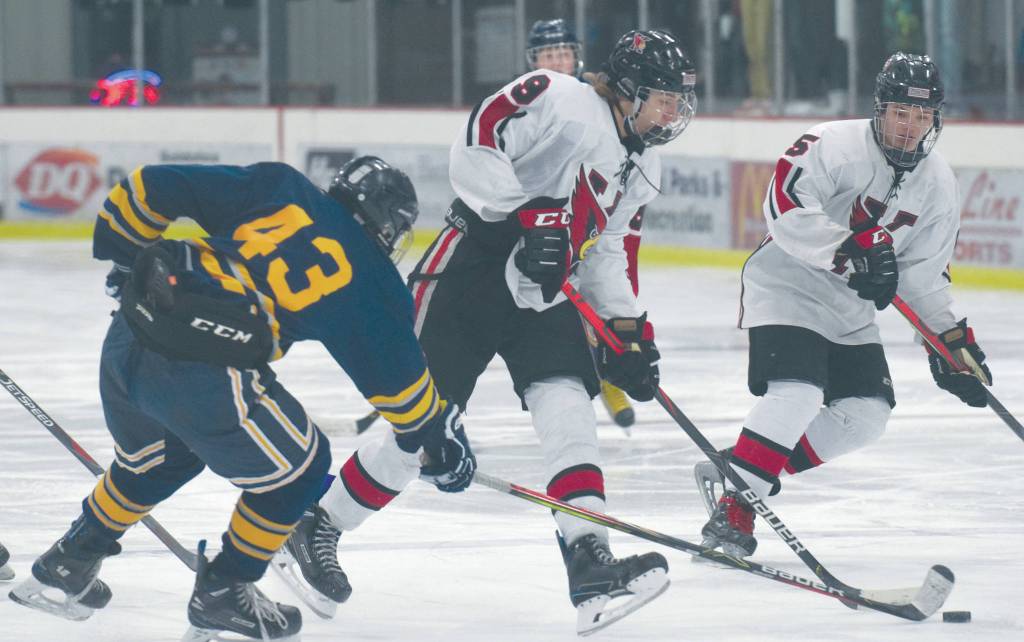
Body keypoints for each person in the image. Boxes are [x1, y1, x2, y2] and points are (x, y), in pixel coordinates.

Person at [279, 29, 697, 636]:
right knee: (422, 426)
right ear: (628, 90)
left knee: (568, 405)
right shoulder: (559, 96)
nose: (672, 111)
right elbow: (476, 141)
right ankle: (317, 526)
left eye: (677, 100)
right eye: (662, 97)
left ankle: (589, 562)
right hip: (472, 267)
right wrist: (528, 214)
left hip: (546, 287)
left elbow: (605, 248)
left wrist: (626, 331)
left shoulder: (644, 163)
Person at [8, 157, 475, 642]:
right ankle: (226, 588)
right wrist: (439, 448)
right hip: (201, 368)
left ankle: (72, 557)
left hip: (128, 334)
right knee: (302, 469)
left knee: (161, 460)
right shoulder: (373, 278)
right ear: (384, 223)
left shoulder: (282, 185)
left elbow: (151, 186)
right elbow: (407, 399)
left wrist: (123, 257)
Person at [694, 53, 993, 558]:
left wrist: (949, 340)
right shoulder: (832, 143)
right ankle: (736, 510)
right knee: (798, 394)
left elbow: (923, 275)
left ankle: (745, 464)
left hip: (848, 311)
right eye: (901, 112)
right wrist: (847, 248)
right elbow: (784, 208)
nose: (910, 127)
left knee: (865, 416)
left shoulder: (939, 182)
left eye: (922, 117)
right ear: (879, 109)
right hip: (787, 287)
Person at [526, 17, 640, 431]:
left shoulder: (595, 104)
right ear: (533, 59)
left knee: (612, 281)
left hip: (591, 219)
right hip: (539, 228)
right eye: (547, 53)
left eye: (563, 52)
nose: (557, 61)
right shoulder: (525, 103)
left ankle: (610, 369)